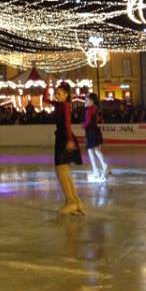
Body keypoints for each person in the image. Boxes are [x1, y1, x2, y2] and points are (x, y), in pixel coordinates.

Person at [49, 82, 84, 215]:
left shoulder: (65, 106)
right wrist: (48, 84)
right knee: (64, 171)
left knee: (61, 170)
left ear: (66, 94)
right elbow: (46, 99)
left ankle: (71, 202)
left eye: (59, 93)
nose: (56, 95)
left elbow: (67, 124)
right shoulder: (59, 105)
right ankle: (75, 201)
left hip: (64, 139)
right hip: (62, 138)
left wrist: (69, 140)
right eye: (56, 93)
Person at [82, 93, 110, 182]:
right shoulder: (94, 108)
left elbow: (88, 120)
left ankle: (100, 168)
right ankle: (97, 170)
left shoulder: (90, 109)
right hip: (94, 131)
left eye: (87, 100)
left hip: (91, 132)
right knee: (95, 151)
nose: (85, 102)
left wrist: (83, 125)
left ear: (92, 101)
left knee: (93, 151)